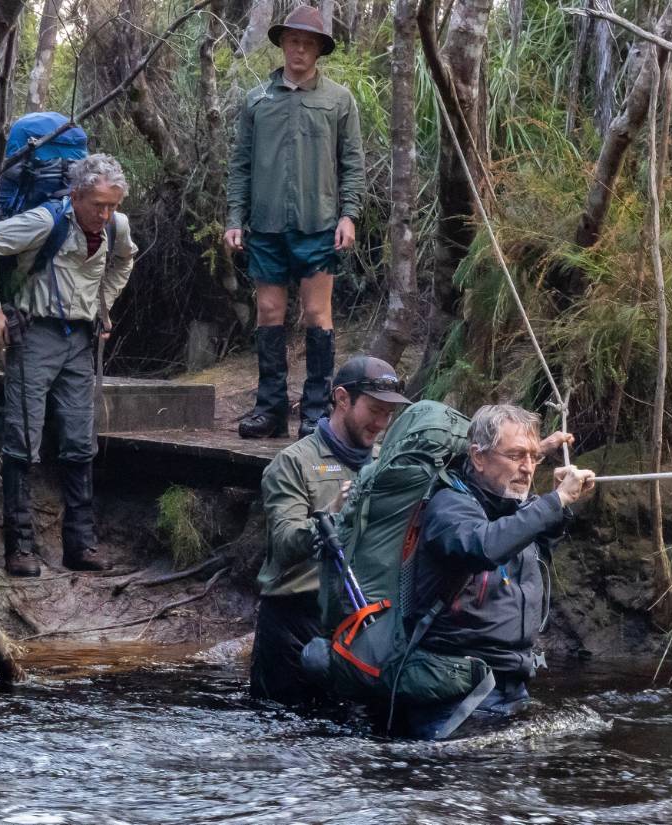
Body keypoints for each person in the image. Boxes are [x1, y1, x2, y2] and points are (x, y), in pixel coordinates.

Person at [0, 154, 138, 577]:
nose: (105, 214)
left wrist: (105, 305)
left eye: (112, 205)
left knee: (81, 441)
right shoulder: (45, 222)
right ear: (77, 194)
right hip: (34, 336)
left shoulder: (115, 228)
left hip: (81, 340)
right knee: (21, 440)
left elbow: (124, 260)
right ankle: (20, 547)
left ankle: (81, 545)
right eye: (98, 204)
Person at [403, 404, 596, 739]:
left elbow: (530, 544)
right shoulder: (448, 507)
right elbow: (485, 546)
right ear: (478, 458)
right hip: (451, 694)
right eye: (517, 455)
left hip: (510, 685)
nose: (528, 468)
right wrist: (555, 502)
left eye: (535, 456)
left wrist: (553, 508)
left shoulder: (511, 507)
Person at [224, 5, 366, 440]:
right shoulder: (257, 100)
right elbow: (241, 164)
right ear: (282, 44)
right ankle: (269, 409)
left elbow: (352, 163)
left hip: (319, 223)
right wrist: (234, 218)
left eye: (307, 42)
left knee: (316, 313)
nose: (299, 49)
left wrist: (349, 214)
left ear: (319, 49)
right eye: (292, 41)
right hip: (265, 225)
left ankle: (316, 411)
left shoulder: (338, 100)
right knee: (268, 311)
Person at [251, 355, 409, 703]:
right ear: (342, 399)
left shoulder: (387, 463)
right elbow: (285, 543)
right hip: (295, 621)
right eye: (374, 410)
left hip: (363, 620)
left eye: (389, 413)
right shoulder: (293, 462)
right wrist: (334, 515)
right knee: (285, 736)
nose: (382, 422)